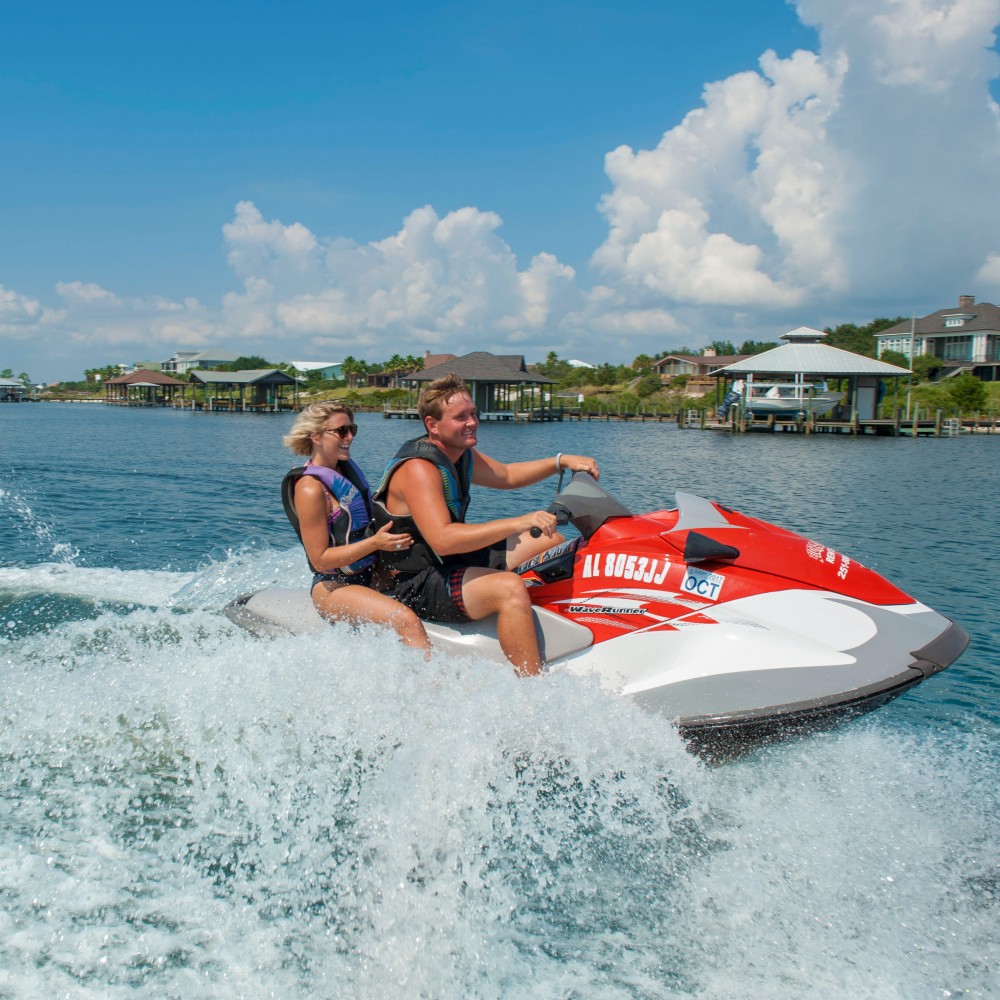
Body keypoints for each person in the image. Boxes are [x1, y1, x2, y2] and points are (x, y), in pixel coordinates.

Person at [371, 373, 599, 676]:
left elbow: (505, 474)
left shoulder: (459, 454)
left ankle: (562, 622)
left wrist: (560, 461)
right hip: (416, 582)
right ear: (432, 425)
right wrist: (519, 521)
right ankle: (533, 687)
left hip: (450, 562)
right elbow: (442, 539)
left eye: (473, 414)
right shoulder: (419, 470)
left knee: (552, 541)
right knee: (509, 588)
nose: (472, 422)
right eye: (460, 417)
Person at [281, 401, 431, 653]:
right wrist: (375, 543)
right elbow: (320, 560)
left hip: (372, 576)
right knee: (406, 620)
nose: (349, 437)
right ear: (315, 436)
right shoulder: (310, 488)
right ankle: (430, 689)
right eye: (341, 431)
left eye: (352, 429)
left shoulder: (345, 473)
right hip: (334, 587)